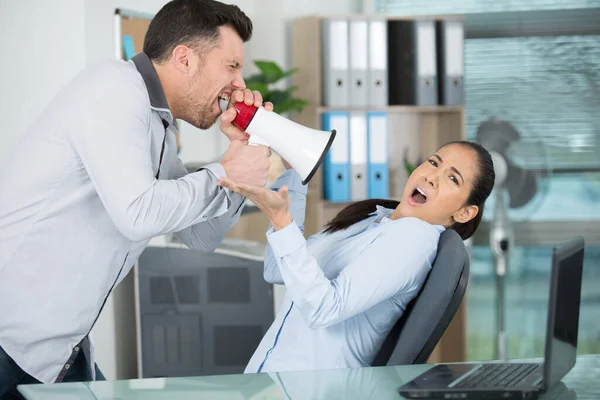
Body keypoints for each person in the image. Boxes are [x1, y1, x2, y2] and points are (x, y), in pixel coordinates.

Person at [0, 0, 271, 396]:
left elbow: (201, 237)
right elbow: (137, 213)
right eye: (231, 66)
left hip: (56, 350)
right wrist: (227, 171)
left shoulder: (158, 126)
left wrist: (238, 160)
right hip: (10, 342)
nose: (238, 82)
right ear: (184, 59)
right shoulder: (113, 91)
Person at [218, 140, 495, 373]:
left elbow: (325, 308)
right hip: (267, 383)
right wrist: (294, 176)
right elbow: (276, 270)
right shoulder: (372, 220)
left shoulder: (414, 239)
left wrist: (282, 221)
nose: (431, 176)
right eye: (434, 162)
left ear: (464, 213)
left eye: (452, 178)